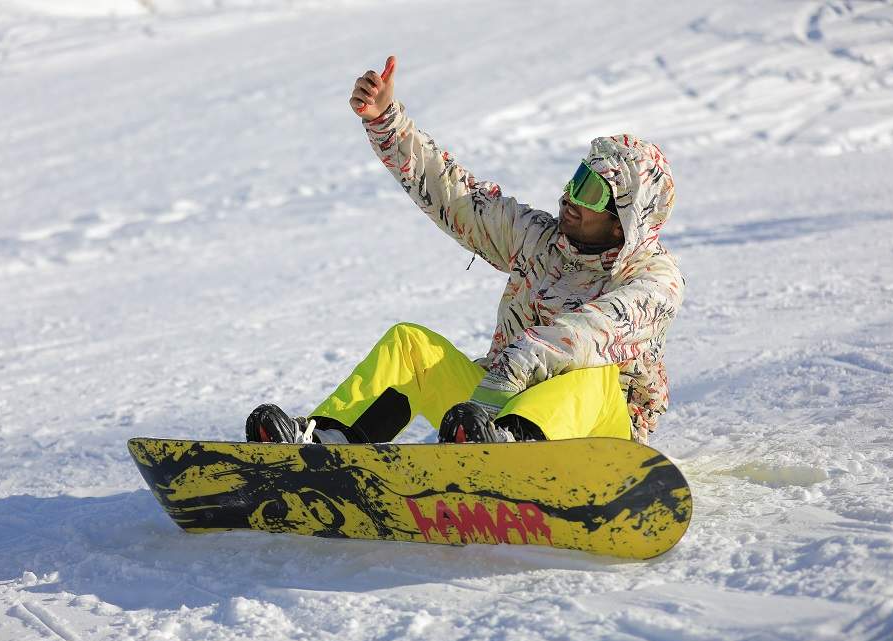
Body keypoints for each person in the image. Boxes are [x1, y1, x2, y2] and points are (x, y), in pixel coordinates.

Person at [247, 55, 684, 445]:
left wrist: (511, 370)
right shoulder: (540, 241)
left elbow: (591, 331)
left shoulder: (653, 279)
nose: (570, 197)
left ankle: (513, 448)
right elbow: (457, 195)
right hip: (493, 412)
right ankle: (331, 444)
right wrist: (385, 121)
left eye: (589, 190)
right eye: (575, 180)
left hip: (597, 435)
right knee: (410, 345)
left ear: (626, 217)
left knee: (595, 369)